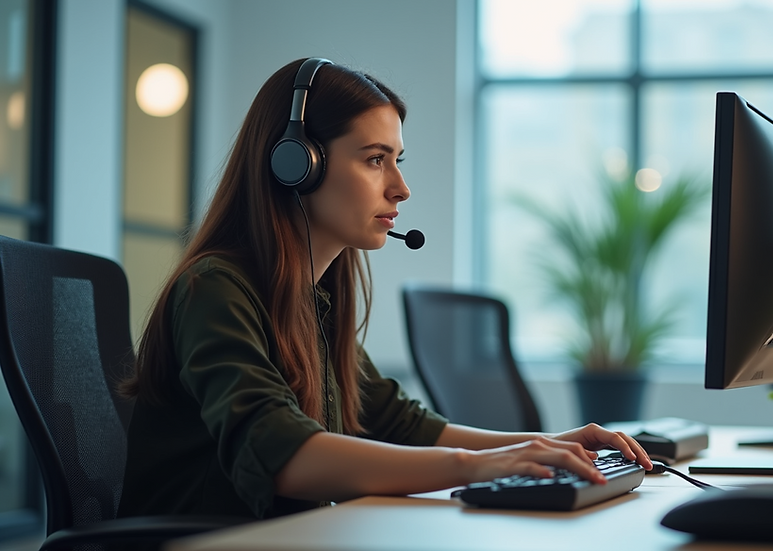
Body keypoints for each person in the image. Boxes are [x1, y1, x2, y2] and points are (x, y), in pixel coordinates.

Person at [117, 57, 653, 521]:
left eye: (396, 160)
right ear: (296, 165)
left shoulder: (313, 301)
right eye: (375, 159)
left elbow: (400, 424)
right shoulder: (214, 289)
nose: (400, 188)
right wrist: (480, 467)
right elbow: (279, 455)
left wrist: (545, 446)